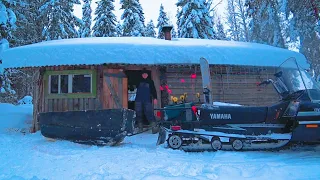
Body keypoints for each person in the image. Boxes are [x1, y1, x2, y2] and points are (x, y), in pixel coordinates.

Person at [135, 68, 158, 133]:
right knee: (138, 113)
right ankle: (140, 128)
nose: (144, 75)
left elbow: (153, 90)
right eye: (143, 74)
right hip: (138, 99)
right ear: (142, 75)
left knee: (149, 112)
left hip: (147, 99)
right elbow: (132, 87)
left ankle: (154, 127)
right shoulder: (138, 81)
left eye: (146, 74)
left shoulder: (150, 81)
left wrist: (155, 98)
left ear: (147, 75)